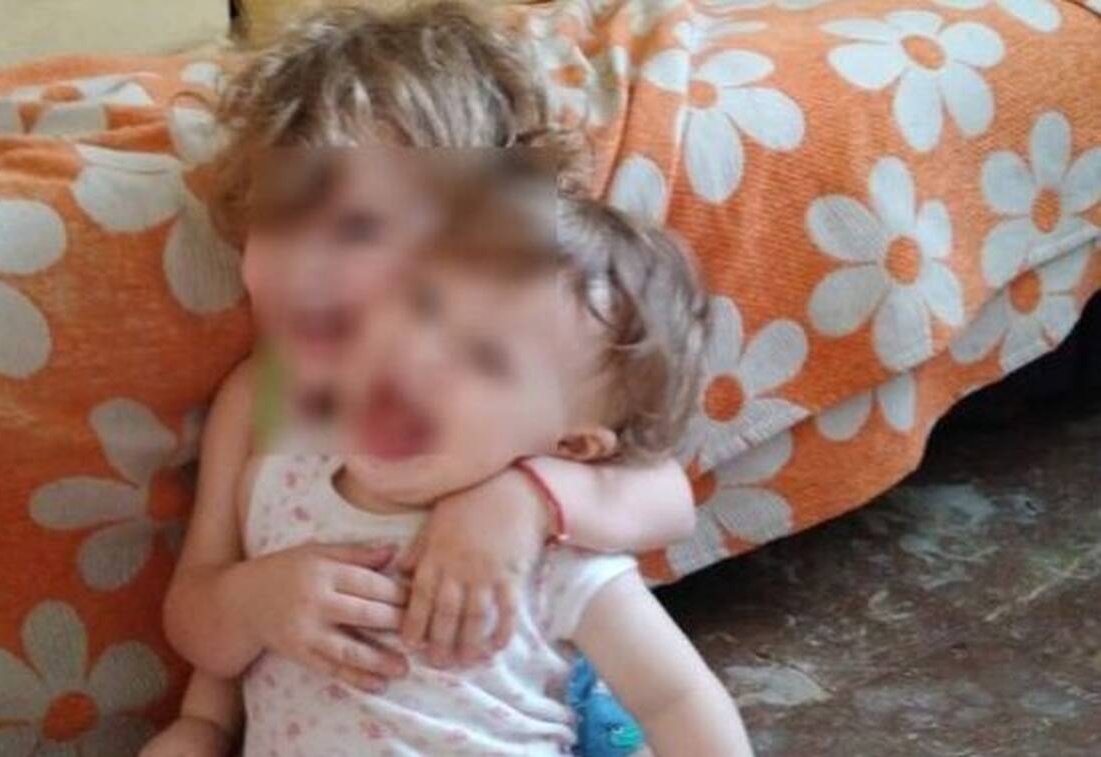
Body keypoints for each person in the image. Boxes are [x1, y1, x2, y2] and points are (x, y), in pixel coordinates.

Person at [144, 5, 700, 755]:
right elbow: (196, 605)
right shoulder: (261, 395)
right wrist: (252, 603)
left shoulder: (512, 364)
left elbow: (666, 497)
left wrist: (522, 499)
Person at [211, 178, 748, 754]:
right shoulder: (279, 485)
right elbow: (207, 643)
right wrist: (248, 607)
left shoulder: (550, 561)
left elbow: (677, 698)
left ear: (568, 446)